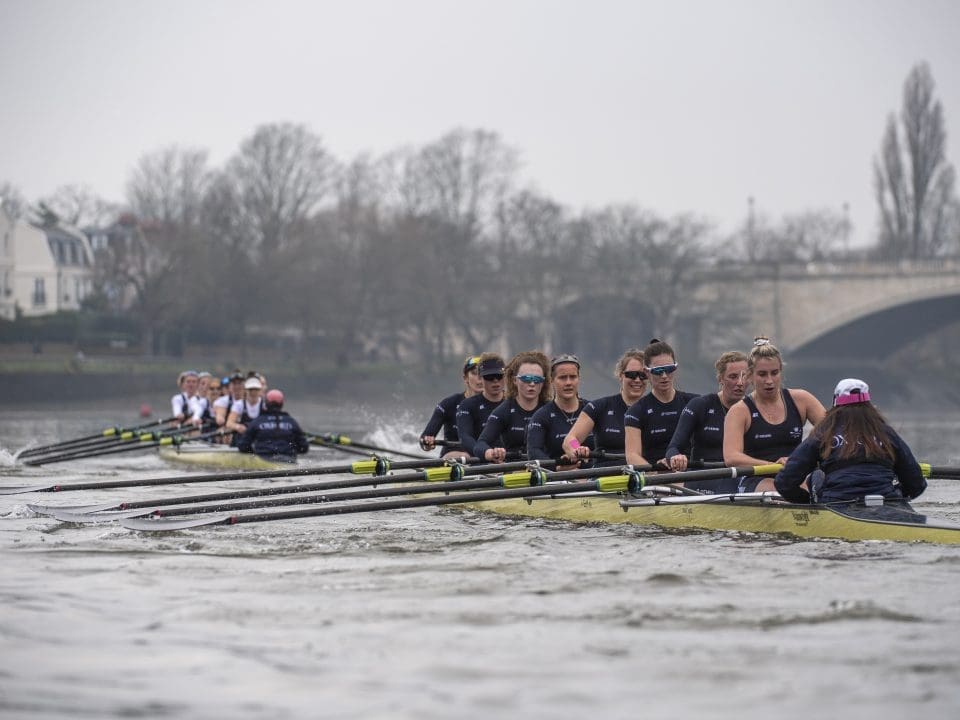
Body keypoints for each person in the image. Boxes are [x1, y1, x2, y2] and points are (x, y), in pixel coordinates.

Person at [774, 378, 926, 504]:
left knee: (817, 474)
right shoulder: (886, 433)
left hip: (837, 504)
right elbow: (917, 484)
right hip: (885, 500)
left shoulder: (824, 433)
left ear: (835, 403)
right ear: (869, 405)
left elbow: (784, 482)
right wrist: (896, 497)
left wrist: (806, 502)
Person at [723, 337, 827, 492]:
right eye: (762, 374)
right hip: (756, 478)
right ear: (749, 376)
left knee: (819, 489)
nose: (769, 380)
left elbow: (834, 432)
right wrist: (773, 466)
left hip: (795, 474)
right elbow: (732, 457)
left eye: (774, 373)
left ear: (781, 372)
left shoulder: (802, 399)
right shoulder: (739, 411)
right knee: (782, 493)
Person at [665, 350, 750, 472]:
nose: (740, 383)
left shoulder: (753, 407)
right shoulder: (700, 405)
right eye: (733, 377)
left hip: (740, 476)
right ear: (720, 379)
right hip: (705, 475)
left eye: (744, 376)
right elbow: (673, 448)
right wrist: (676, 457)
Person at [563, 348, 647, 466]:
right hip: (606, 474)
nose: (637, 380)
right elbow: (570, 439)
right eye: (632, 375)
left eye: (643, 375)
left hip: (643, 474)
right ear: (620, 376)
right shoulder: (600, 407)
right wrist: (577, 449)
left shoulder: (654, 409)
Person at [624, 339, 699, 468]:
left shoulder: (694, 403)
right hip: (656, 474)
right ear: (646, 372)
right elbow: (632, 456)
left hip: (692, 473)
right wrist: (654, 470)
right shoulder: (635, 411)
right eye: (658, 371)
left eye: (669, 369)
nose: (664, 375)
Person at [475, 350, 551, 463]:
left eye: (537, 379)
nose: (532, 384)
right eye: (526, 379)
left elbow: (572, 438)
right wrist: (491, 453)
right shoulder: (504, 411)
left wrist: (575, 448)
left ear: (543, 383)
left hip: (549, 468)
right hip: (515, 468)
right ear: (515, 380)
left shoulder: (552, 409)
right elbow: (480, 444)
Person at [527, 354, 593, 468]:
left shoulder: (593, 409)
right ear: (552, 381)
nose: (568, 382)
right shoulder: (541, 416)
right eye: (562, 378)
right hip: (557, 476)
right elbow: (533, 451)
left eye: (573, 377)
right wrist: (557, 468)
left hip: (593, 474)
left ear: (579, 379)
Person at [420, 355, 484, 458]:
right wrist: (427, 443)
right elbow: (424, 438)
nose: (479, 378)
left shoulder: (499, 404)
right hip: (453, 456)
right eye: (474, 373)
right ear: (465, 378)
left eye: (483, 374)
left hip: (485, 457)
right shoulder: (449, 403)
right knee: (464, 456)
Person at [455, 353, 507, 458]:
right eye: (489, 377)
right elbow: (465, 437)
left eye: (499, 376)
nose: (495, 381)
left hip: (513, 459)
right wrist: (486, 453)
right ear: (481, 378)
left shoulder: (515, 402)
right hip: (480, 458)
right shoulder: (467, 405)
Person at [236, 389, 309, 462]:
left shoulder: (257, 422)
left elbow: (243, 446)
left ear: (266, 403)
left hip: (263, 462)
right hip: (288, 461)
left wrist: (254, 453)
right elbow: (304, 448)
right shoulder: (291, 422)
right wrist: (291, 451)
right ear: (282, 404)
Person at [226, 375, 267, 446]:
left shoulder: (264, 405)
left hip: (259, 439)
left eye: (256, 389)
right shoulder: (239, 404)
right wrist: (238, 427)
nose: (253, 392)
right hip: (243, 438)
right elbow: (229, 423)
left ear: (260, 391)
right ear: (246, 390)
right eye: (250, 390)